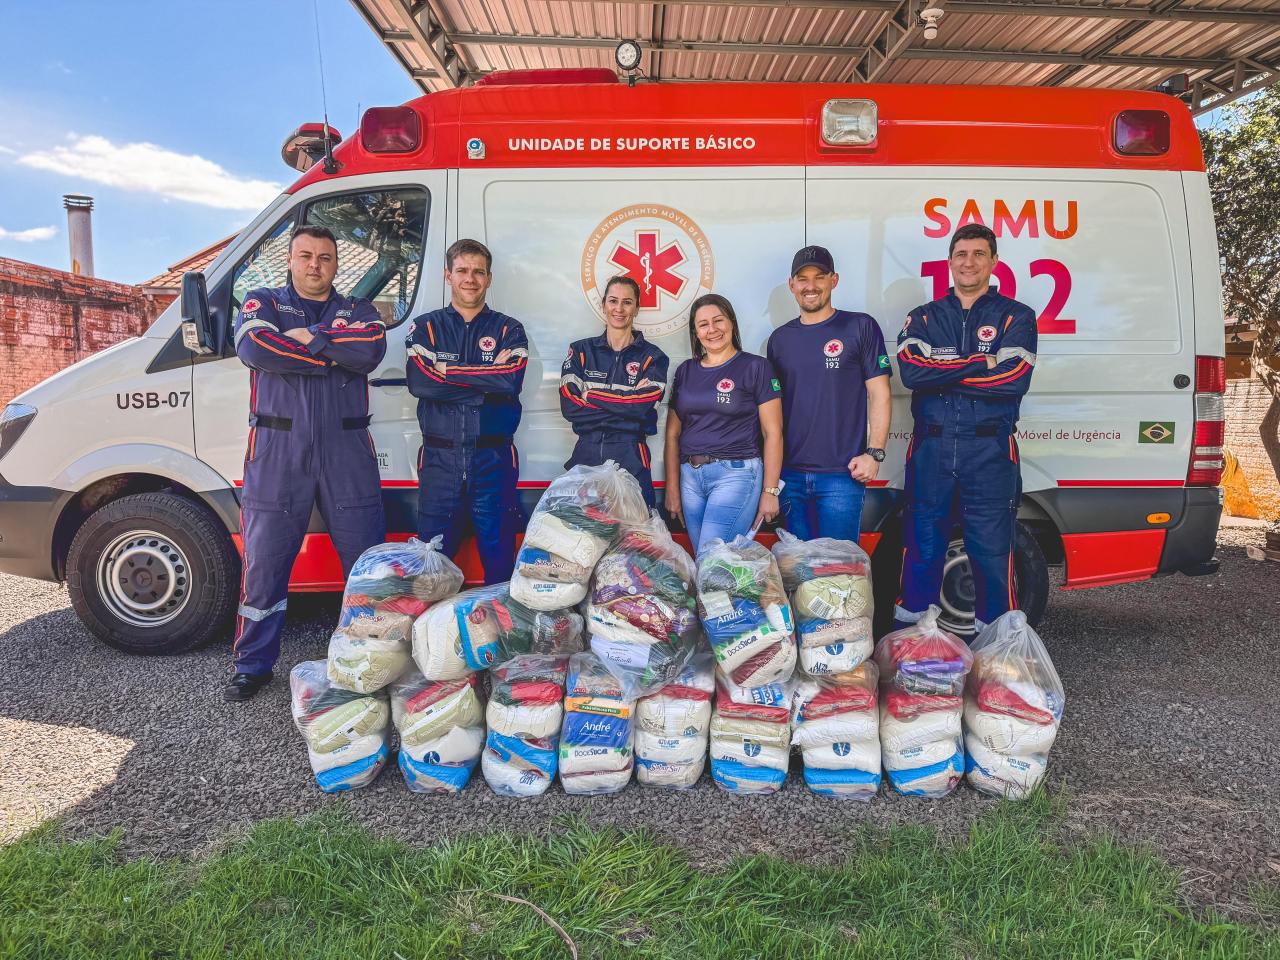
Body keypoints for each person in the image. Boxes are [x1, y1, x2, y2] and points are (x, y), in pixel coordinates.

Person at [227, 225, 387, 702]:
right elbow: (254, 347)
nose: (315, 265)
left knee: (366, 564)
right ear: (291, 261)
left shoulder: (357, 309)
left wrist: (310, 339)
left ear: (336, 264)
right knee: (266, 564)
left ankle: (372, 661)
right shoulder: (264, 302)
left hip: (346, 449)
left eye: (324, 257)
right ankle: (252, 665)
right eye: (306, 256)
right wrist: (332, 353)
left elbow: (371, 350)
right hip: (278, 448)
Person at [894, 223, 1037, 632]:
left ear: (994, 261)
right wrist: (980, 361)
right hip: (931, 450)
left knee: (992, 555)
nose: (969, 262)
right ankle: (913, 653)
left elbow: (1014, 379)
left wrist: (944, 371)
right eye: (961, 254)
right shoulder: (923, 317)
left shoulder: (1017, 316)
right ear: (950, 262)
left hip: (989, 451)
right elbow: (912, 374)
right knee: (921, 551)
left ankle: (997, 658)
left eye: (978, 253)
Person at [405, 239, 529, 584]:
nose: (470, 279)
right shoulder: (426, 327)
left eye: (478, 272)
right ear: (448, 275)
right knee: (432, 563)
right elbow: (421, 383)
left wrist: (448, 372)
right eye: (462, 270)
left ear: (489, 278)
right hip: (440, 460)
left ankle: (502, 634)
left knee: (499, 556)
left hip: (492, 460)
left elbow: (510, 382)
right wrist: (484, 380)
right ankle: (435, 636)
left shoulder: (509, 329)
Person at [766, 245, 891, 543]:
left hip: (842, 476)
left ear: (834, 280)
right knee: (800, 571)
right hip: (791, 476)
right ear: (792, 285)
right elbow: (772, 412)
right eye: (803, 279)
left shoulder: (860, 326)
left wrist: (874, 453)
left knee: (840, 572)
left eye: (819, 277)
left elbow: (881, 394)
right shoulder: (779, 339)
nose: (811, 286)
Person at [664, 293, 784, 554]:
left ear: (732, 323)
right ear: (695, 333)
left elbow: (772, 432)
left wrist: (770, 491)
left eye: (718, 321)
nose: (712, 330)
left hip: (736, 474)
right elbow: (672, 434)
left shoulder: (756, 367)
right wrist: (672, 488)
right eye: (703, 324)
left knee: (712, 559)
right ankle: (725, 598)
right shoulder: (685, 371)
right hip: (690, 479)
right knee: (709, 564)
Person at [559, 275, 669, 507]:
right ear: (604, 305)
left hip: (631, 458)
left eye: (627, 302)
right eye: (613, 301)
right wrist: (627, 408)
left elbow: (643, 408)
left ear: (637, 308)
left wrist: (591, 395)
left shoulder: (653, 357)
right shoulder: (580, 351)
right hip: (585, 457)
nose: (619, 309)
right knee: (585, 538)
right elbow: (570, 407)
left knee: (634, 540)